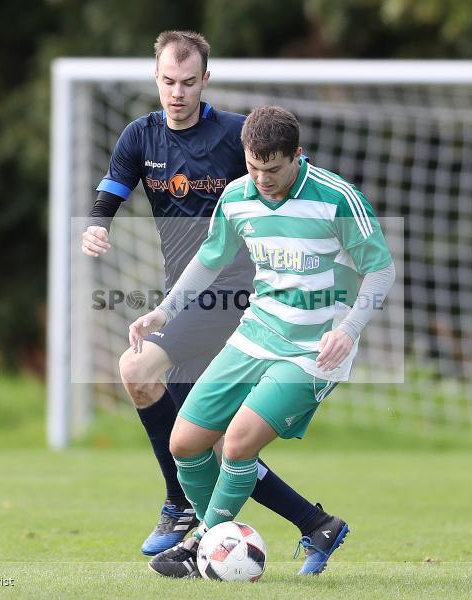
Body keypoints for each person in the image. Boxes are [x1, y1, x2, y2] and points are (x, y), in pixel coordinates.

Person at [81, 31, 341, 567]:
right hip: (187, 295)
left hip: (239, 295)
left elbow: (295, 175)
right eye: (168, 81)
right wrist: (98, 224)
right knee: (213, 444)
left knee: (137, 368)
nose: (177, 92)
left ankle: (180, 508)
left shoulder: (232, 135)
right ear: (156, 78)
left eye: (188, 82)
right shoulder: (140, 136)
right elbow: (114, 186)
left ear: (206, 80)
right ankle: (317, 525)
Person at [130, 106, 396, 578]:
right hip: (255, 335)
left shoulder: (336, 198)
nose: (261, 179)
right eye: (253, 167)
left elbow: (381, 270)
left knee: (237, 444)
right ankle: (299, 530)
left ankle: (200, 546)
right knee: (185, 443)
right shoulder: (237, 196)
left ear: (297, 156)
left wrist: (348, 330)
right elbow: (210, 259)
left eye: (272, 169)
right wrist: (163, 311)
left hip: (314, 351)